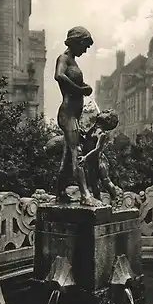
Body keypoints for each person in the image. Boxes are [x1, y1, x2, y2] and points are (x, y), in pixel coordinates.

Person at [54, 26, 99, 206]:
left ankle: (60, 192)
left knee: (67, 156)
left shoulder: (73, 61)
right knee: (76, 153)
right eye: (85, 45)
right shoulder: (64, 58)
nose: (85, 50)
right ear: (77, 41)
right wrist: (80, 89)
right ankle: (85, 194)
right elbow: (58, 76)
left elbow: (73, 81)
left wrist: (84, 86)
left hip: (74, 114)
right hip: (67, 114)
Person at [78, 109, 122, 203]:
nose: (101, 112)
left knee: (106, 182)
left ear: (108, 120)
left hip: (100, 161)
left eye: (105, 113)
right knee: (94, 184)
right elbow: (86, 138)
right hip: (91, 162)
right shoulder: (93, 129)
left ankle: (117, 199)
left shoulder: (101, 133)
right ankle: (98, 201)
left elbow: (97, 149)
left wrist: (85, 158)